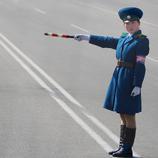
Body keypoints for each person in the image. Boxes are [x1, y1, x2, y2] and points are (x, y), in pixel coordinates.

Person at [74, 7, 149, 157]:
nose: (130, 25)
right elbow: (107, 41)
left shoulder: (142, 41)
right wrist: (87, 38)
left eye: (133, 22)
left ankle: (127, 149)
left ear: (138, 23)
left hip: (129, 78)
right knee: (121, 112)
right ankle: (122, 146)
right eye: (127, 23)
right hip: (119, 77)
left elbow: (140, 64)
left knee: (129, 114)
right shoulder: (124, 38)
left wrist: (137, 85)